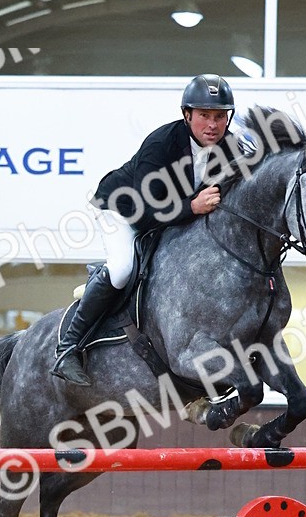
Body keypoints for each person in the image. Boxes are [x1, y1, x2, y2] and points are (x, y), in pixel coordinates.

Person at [51, 73, 237, 386]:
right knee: (124, 269)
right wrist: (191, 207)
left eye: (220, 117)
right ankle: (68, 346)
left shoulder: (230, 148)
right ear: (187, 114)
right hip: (123, 211)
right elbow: (143, 213)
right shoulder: (161, 144)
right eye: (204, 115)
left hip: (172, 216)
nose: (213, 125)